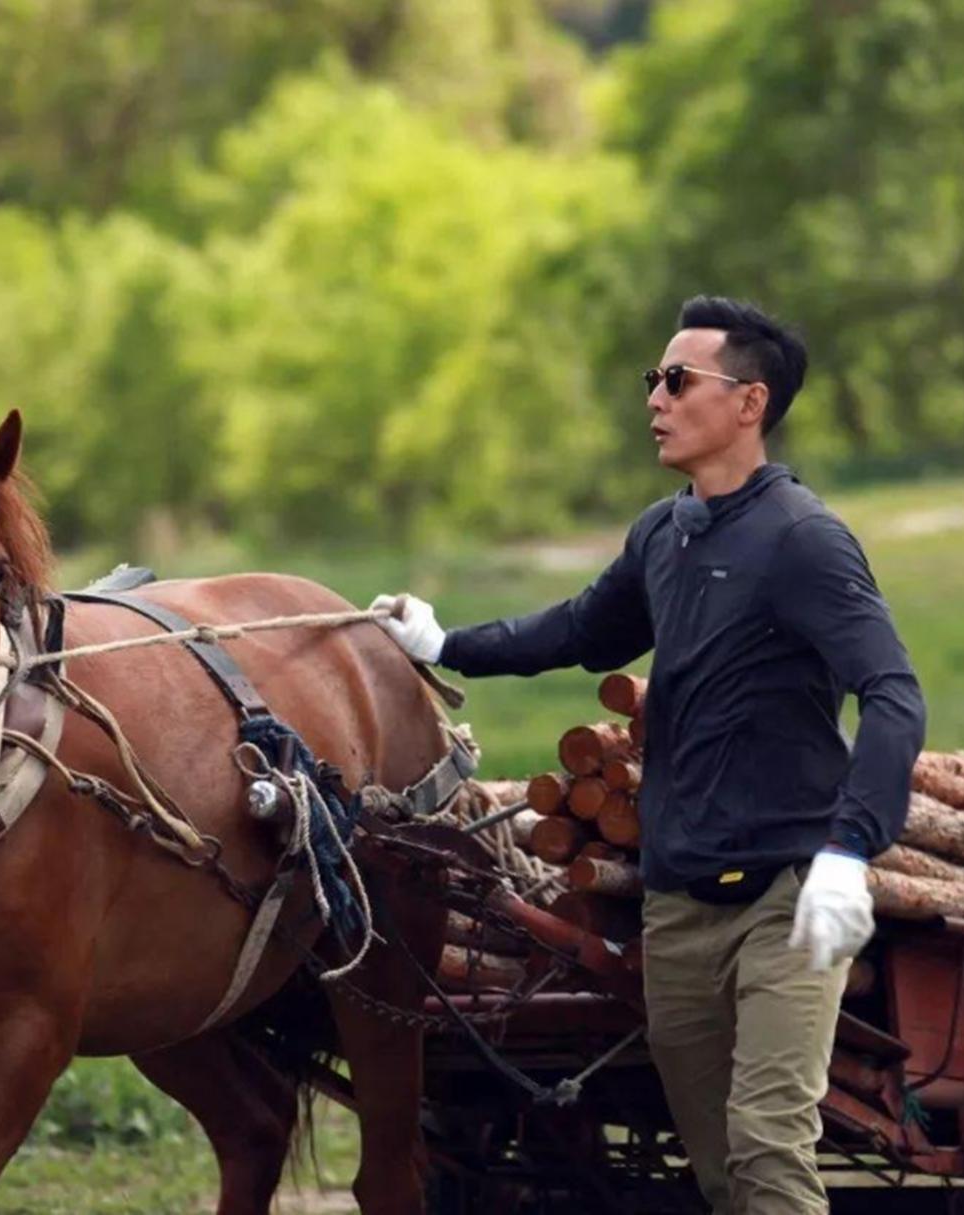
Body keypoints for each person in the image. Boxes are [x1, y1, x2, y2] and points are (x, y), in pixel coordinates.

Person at [371, 295, 927, 1214]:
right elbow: (582, 629)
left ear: (749, 403)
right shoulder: (663, 535)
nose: (655, 400)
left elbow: (894, 693)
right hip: (676, 909)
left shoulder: (804, 540)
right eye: (652, 381)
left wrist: (849, 849)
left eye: (678, 380)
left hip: (788, 901)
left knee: (767, 1150)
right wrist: (446, 643)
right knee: (718, 1170)